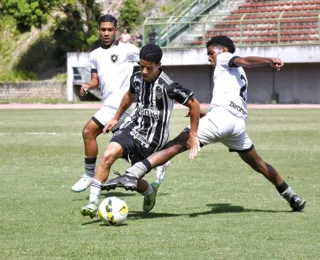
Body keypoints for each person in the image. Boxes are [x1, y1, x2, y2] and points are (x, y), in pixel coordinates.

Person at [104, 35, 306, 212]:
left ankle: (133, 173)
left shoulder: (225, 57)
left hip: (221, 120)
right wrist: (204, 114)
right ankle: (291, 196)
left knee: (177, 144)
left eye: (211, 53)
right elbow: (230, 103)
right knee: (260, 164)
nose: (210, 57)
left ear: (223, 50)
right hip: (236, 126)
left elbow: (244, 59)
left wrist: (268, 60)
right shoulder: (238, 75)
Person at [80, 43, 201, 218]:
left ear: (159, 65)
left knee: (134, 180)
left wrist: (193, 134)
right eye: (141, 66)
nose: (144, 71)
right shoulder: (136, 78)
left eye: (149, 68)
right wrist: (116, 117)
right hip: (133, 127)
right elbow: (129, 96)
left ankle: (150, 191)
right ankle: (92, 202)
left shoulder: (169, 86)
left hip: (153, 139)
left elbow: (194, 105)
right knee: (108, 154)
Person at [71, 15, 169, 193]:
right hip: (110, 105)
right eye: (103, 29)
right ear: (98, 30)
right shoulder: (95, 55)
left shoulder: (128, 49)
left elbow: (149, 61)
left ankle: (88, 176)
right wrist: (87, 85)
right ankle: (159, 162)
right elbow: (96, 80)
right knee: (126, 150)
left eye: (110, 29)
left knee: (88, 131)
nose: (106, 33)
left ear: (116, 30)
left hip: (120, 104)